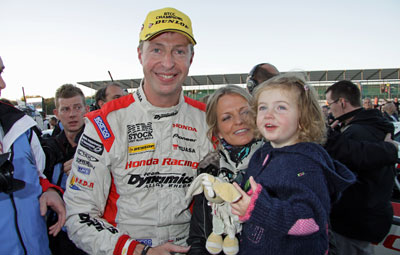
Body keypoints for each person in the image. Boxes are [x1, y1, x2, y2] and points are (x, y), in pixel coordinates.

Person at [63, 7, 213, 255]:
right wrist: (138, 251)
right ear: (139, 54)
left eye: (179, 51)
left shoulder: (208, 120)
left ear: (190, 59)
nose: (167, 62)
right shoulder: (105, 123)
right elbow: (78, 215)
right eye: (157, 49)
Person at [230, 73, 355, 255]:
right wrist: (233, 200)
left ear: (303, 119)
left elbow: (309, 221)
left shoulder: (305, 164)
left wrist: (255, 208)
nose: (268, 114)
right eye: (263, 107)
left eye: (281, 107)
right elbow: (251, 191)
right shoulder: (261, 155)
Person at [0, 56, 66, 255]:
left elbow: (38, 176)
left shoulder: (21, 127)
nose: (3, 84)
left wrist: (50, 191)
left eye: (1, 72)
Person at [187, 85, 263, 255]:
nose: (239, 121)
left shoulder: (280, 161)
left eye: (245, 112)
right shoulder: (209, 171)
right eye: (227, 118)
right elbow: (198, 237)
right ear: (218, 131)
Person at [325, 80, 397, 255]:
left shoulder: (353, 133)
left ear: (342, 102)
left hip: (352, 221)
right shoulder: (377, 125)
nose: (329, 109)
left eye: (329, 103)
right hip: (371, 216)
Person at [41, 84, 89, 255]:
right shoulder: (45, 149)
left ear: (87, 109)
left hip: (95, 233)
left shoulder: (104, 145)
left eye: (77, 107)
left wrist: (88, 162)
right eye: (65, 109)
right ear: (56, 113)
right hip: (57, 234)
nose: (72, 114)